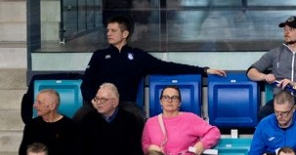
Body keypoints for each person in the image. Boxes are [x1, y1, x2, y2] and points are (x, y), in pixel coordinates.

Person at [81, 14, 224, 112]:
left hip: (124, 107)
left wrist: (203, 70)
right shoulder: (99, 56)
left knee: (134, 119)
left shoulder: (138, 57)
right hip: (98, 104)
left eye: (113, 30)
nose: (108, 34)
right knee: (82, 118)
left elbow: (168, 67)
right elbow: (86, 83)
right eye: (108, 30)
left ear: (125, 34)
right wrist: (93, 100)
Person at [141, 84, 221, 155]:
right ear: (161, 101)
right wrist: (150, 148)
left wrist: (202, 144)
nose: (170, 100)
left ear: (179, 102)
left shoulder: (190, 118)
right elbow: (145, 144)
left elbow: (214, 132)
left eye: (174, 97)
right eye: (166, 97)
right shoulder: (150, 123)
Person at [247, 16, 296, 122]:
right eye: (285, 30)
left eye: (291, 29)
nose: (287, 33)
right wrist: (264, 76)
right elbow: (250, 72)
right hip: (280, 99)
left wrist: (294, 84)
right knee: (264, 114)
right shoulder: (275, 53)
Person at [18, 88, 81, 155]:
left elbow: (76, 154)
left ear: (52, 106)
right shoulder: (32, 125)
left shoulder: (70, 126)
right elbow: (23, 152)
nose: (34, 105)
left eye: (39, 102)